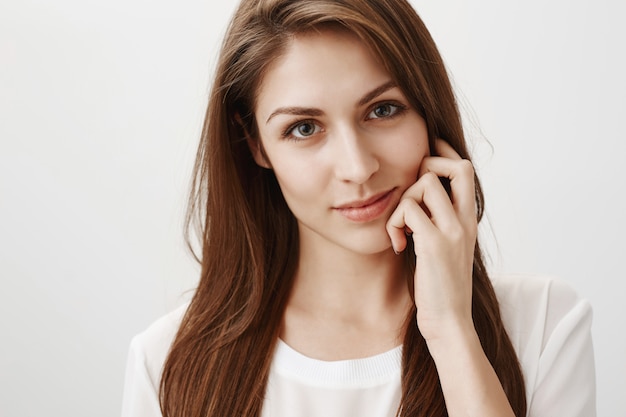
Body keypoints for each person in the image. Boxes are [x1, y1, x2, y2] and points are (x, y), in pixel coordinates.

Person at [121, 0, 596, 416]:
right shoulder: (166, 365)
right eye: (305, 128)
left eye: (383, 110)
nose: (357, 166)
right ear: (254, 144)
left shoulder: (543, 327)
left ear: (427, 109)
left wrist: (451, 330)